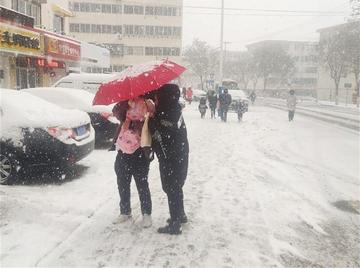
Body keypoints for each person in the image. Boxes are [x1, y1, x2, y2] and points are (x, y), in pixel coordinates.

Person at [145, 84, 189, 235]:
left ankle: (175, 224)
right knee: (176, 186)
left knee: (171, 188)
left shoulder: (167, 112)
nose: (156, 98)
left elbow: (160, 133)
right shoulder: (173, 108)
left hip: (171, 156)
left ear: (165, 97)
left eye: (158, 96)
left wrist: (151, 119)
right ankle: (180, 215)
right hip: (178, 154)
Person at [112, 98, 155, 227]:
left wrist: (140, 119)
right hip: (123, 150)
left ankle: (146, 214)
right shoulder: (125, 101)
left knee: (142, 184)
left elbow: (151, 121)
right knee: (122, 183)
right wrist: (125, 103)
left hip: (140, 151)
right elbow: (117, 113)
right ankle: (125, 211)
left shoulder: (148, 102)